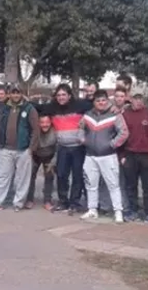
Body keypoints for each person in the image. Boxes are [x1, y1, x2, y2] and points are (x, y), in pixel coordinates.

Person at [78, 89, 129, 223]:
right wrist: (83, 140)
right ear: (94, 102)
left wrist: (112, 144)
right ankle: (92, 210)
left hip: (108, 155)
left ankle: (118, 212)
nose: (101, 103)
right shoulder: (87, 115)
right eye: (98, 100)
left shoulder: (114, 115)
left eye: (103, 100)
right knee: (91, 184)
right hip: (90, 156)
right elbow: (80, 128)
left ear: (107, 101)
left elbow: (124, 132)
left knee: (113, 185)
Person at [0, 85, 39, 211]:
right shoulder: (5, 108)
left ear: (22, 94)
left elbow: (35, 130)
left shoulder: (29, 109)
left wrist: (31, 148)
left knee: (22, 178)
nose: (15, 95)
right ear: (9, 94)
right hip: (5, 148)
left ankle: (18, 203)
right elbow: (0, 127)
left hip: (23, 149)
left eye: (18, 93)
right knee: (1, 176)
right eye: (13, 93)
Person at [48, 83, 89, 214]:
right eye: (58, 95)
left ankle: (74, 203)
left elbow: (98, 106)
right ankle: (63, 202)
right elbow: (36, 107)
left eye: (63, 94)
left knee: (77, 176)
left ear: (69, 95)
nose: (61, 97)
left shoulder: (81, 106)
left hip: (78, 148)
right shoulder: (52, 108)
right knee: (61, 175)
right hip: (62, 148)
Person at [121, 94, 148, 225]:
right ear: (131, 100)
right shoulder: (125, 115)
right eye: (135, 99)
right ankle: (133, 211)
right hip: (130, 155)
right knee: (130, 186)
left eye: (140, 99)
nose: (138, 102)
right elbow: (120, 134)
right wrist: (122, 156)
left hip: (146, 156)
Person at [99, 87, 130, 215]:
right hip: (108, 150)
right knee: (105, 180)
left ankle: (124, 207)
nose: (119, 99)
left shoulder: (129, 111)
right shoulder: (109, 110)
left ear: (126, 97)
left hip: (125, 150)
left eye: (122, 96)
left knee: (121, 181)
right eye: (116, 96)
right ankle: (105, 206)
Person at [25, 114, 57, 211]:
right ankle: (29, 199)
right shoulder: (35, 131)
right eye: (42, 122)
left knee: (49, 177)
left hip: (50, 156)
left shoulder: (55, 131)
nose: (44, 125)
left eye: (47, 122)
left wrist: (53, 161)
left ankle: (47, 200)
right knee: (30, 176)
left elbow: (58, 148)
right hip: (36, 154)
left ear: (50, 122)